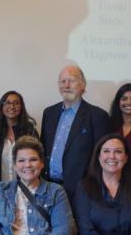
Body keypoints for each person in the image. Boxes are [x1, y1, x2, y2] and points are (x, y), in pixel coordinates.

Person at [41, 64, 110, 201]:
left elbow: (101, 158)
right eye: (63, 81)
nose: (66, 85)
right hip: (49, 188)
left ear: (83, 85)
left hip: (81, 192)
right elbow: (43, 149)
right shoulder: (49, 113)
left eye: (71, 81)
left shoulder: (97, 116)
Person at [0, 90, 39, 203]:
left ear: (21, 106)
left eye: (16, 103)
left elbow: (36, 159)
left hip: (25, 189)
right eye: (8, 103)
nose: (12, 106)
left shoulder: (30, 130)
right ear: (1, 106)